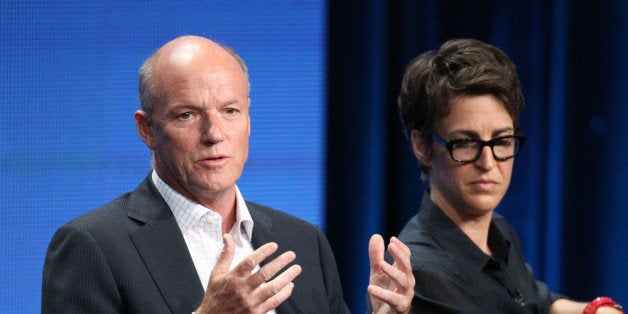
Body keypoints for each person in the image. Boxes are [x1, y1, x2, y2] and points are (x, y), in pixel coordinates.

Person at [42, 35, 414, 313]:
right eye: (187, 114)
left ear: (249, 117)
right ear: (147, 129)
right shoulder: (92, 246)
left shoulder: (303, 241)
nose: (214, 134)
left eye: (230, 111)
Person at [395, 38, 623, 313]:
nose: (488, 162)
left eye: (502, 141)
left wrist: (597, 309)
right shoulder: (421, 273)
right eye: (466, 142)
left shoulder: (498, 231)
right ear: (422, 146)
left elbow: (538, 303)